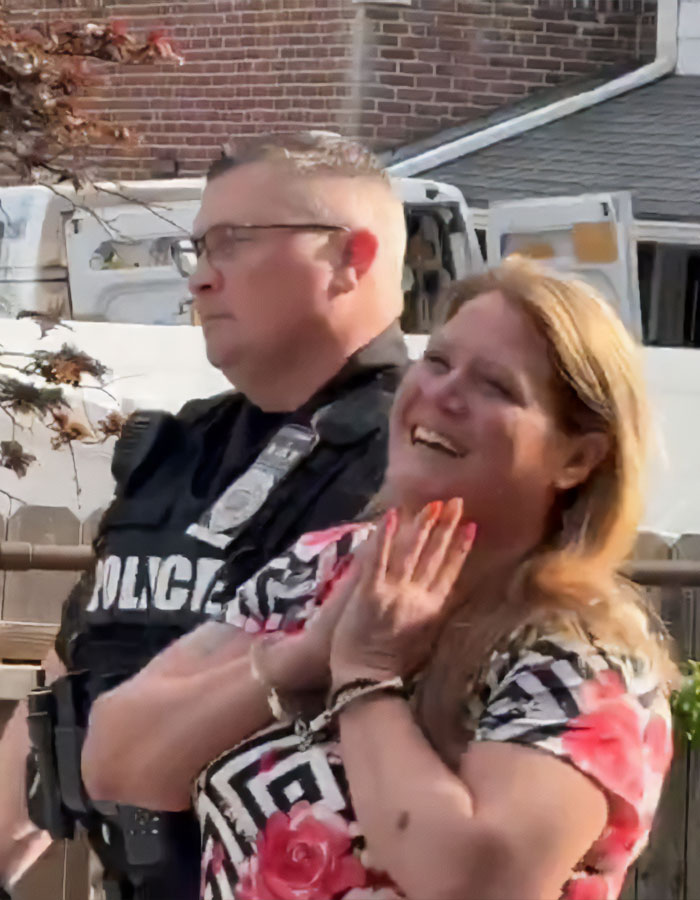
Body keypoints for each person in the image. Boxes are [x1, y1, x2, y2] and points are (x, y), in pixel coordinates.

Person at [82, 256, 677, 900]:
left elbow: (474, 883)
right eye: (438, 361)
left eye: (496, 386)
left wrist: (365, 678)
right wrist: (300, 659)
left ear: (577, 459)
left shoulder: (583, 657)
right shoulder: (324, 565)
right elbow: (116, 760)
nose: (443, 394)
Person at [1, 131, 409, 900]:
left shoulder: (423, 461)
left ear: (351, 257)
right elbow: (71, 678)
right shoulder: (178, 450)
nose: (200, 277)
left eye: (234, 242)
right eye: (197, 249)